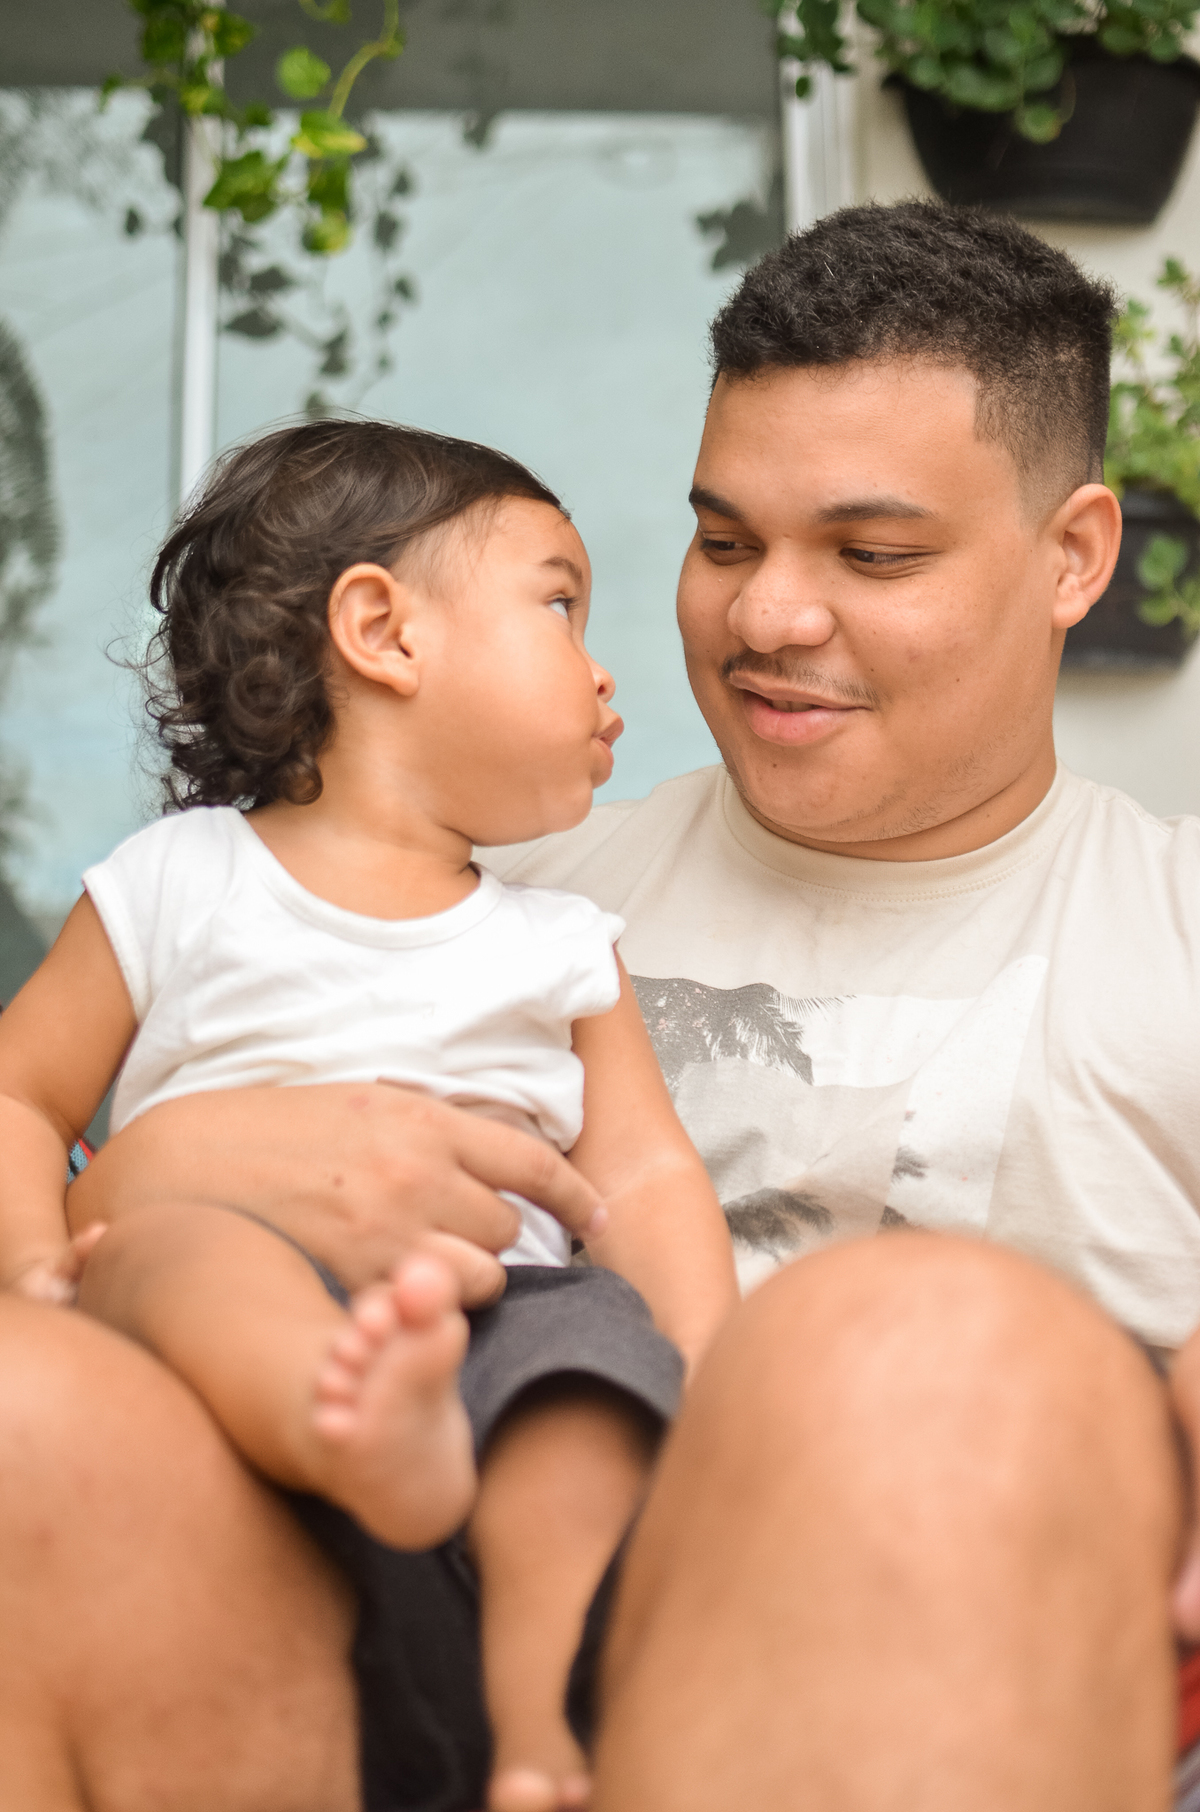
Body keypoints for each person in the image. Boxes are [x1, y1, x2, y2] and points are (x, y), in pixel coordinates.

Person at [1, 197, 1198, 1810]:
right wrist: (160, 1174)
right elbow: (75, 1137)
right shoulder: (487, 877)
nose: (764, 615)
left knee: (921, 1345)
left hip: (965, 1670)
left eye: (871, 552)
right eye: (722, 542)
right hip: (432, 1608)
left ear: (1074, 556)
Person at [0, 422, 735, 1812]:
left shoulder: (566, 939)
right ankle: (344, 1426)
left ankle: (537, 1732)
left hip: (505, 1299)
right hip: (235, 1292)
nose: (602, 667)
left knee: (587, 1388)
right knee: (179, 1255)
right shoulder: (176, 879)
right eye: (561, 602)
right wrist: (33, 1266)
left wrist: (702, 1371)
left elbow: (640, 1175)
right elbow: (20, 1090)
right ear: (382, 631)